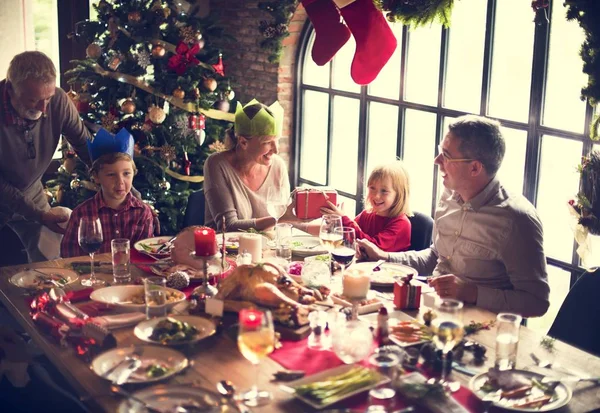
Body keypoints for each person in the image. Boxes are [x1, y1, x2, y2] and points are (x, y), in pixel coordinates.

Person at [357, 115, 550, 317]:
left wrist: (474, 293)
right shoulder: (448, 196)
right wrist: (383, 256)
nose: (436, 160)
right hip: (432, 311)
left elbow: (537, 302)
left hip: (480, 328)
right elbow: (436, 256)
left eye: (446, 155)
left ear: (475, 167)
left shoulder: (517, 220)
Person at [0, 51, 92, 263]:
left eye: (47, 99)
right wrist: (38, 215)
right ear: (10, 89)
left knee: (50, 267)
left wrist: (122, 184)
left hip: (32, 194)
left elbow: (85, 145)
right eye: (33, 100)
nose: (43, 109)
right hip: (5, 195)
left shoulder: (57, 100)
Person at [60, 128, 154, 258]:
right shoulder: (81, 214)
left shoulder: (142, 213)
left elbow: (145, 256)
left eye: (126, 173)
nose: (120, 182)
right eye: (111, 175)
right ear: (96, 177)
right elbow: (69, 256)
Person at [203, 99, 291, 231]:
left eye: (277, 140)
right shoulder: (216, 164)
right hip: (228, 249)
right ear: (243, 142)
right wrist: (282, 218)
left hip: (268, 249)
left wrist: (326, 219)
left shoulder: (278, 165)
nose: (276, 150)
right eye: (267, 142)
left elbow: (289, 222)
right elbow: (229, 226)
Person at [320, 160, 411, 252]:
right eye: (372, 188)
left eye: (384, 191)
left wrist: (343, 220)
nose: (376, 196)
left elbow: (373, 249)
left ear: (399, 194)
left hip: (386, 266)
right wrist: (334, 223)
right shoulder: (367, 214)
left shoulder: (401, 224)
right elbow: (349, 237)